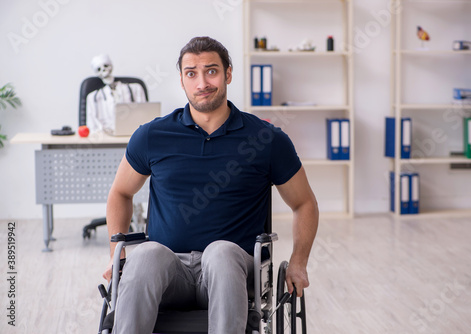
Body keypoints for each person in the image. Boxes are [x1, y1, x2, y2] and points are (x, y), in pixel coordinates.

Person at [103, 36, 319, 334]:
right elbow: (121, 192)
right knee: (147, 254)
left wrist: (298, 262)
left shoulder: (267, 139)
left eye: (211, 71)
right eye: (191, 73)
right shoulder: (152, 136)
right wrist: (118, 254)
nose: (202, 82)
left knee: (220, 252)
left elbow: (304, 203)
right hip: (168, 272)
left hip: (233, 269)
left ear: (228, 74)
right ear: (181, 80)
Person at [86, 54, 146, 133]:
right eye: (99, 69)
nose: (104, 70)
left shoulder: (135, 88)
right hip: (105, 139)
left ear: (111, 66)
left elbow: (145, 118)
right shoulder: (93, 97)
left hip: (132, 135)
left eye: (106, 66)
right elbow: (92, 127)